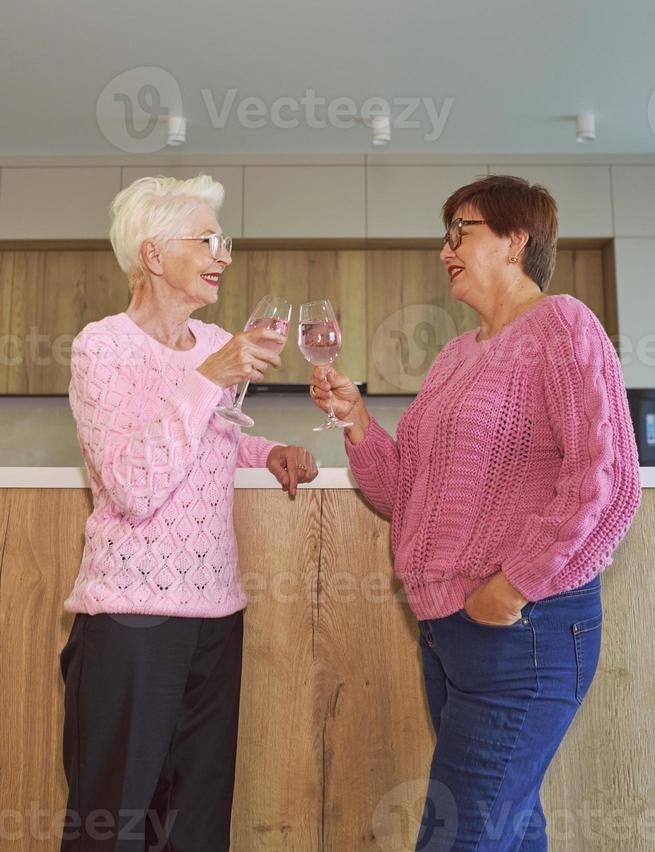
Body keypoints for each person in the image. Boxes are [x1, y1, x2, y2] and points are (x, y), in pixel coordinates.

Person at [309, 175, 641, 851]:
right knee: (507, 831)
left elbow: (606, 482)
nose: (445, 249)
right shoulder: (455, 356)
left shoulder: (561, 325)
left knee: (460, 835)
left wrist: (513, 584)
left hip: (524, 630)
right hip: (448, 635)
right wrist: (357, 421)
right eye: (445, 234)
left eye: (461, 230)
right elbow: (403, 493)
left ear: (516, 239)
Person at [59, 175, 318, 852]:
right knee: (111, 824)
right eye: (206, 240)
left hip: (216, 613)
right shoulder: (103, 347)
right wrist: (209, 378)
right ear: (151, 255)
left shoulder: (212, 344)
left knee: (196, 825)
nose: (222, 254)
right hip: (132, 616)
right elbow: (134, 484)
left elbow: (209, 441)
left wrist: (266, 451)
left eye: (222, 240)